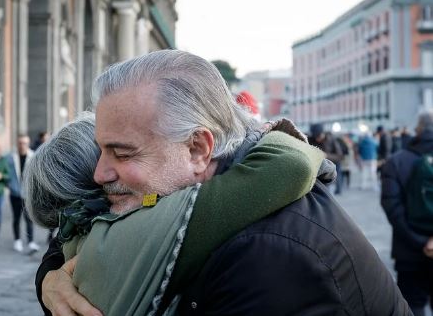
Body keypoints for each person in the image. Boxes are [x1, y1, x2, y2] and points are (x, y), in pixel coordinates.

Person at [35, 50, 411, 316]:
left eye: (123, 153)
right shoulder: (165, 196)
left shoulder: (269, 256)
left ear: (199, 149)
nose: (100, 174)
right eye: (102, 150)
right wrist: (51, 281)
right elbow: (84, 227)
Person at [24, 112, 324, 316]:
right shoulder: (154, 224)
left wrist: (48, 278)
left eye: (122, 153)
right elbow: (290, 164)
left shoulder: (84, 238)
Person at [381, 110, 433, 316]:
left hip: (409, 252)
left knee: (412, 306)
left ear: (417, 130)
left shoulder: (397, 161)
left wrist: (421, 242)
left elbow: (392, 207)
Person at [5, 135, 40, 253]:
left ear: (28, 143)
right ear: (17, 143)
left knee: (29, 218)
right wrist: (8, 184)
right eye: (20, 143)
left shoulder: (33, 156)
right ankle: (17, 240)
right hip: (15, 193)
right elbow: (4, 171)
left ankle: (31, 242)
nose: (22, 145)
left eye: (24, 143)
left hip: (28, 194)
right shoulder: (10, 157)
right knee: (16, 218)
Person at [308, 123, 344, 194]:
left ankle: (338, 190)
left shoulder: (331, 139)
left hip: (334, 163)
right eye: (315, 137)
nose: (317, 139)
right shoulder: (311, 139)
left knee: (337, 177)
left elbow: (340, 156)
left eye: (319, 136)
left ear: (323, 133)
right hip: (320, 166)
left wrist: (326, 155)